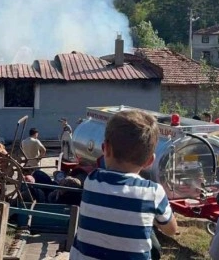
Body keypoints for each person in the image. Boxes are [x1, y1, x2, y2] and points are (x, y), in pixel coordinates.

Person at [70, 110, 178, 259]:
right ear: (150, 161)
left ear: (105, 149)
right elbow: (171, 230)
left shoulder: (92, 180)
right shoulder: (152, 192)